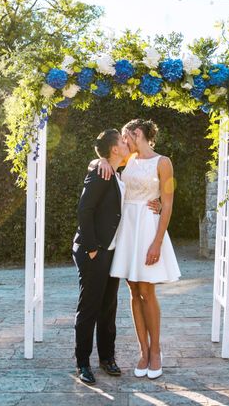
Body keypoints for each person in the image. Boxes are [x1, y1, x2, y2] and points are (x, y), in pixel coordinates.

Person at [72, 128, 160, 384]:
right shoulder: (100, 174)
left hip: (111, 253)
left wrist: (159, 203)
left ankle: (107, 358)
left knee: (108, 308)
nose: (127, 143)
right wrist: (91, 249)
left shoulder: (117, 174)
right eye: (123, 141)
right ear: (114, 150)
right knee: (89, 308)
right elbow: (84, 211)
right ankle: (82, 363)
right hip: (94, 252)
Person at [99, 119, 181, 380]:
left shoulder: (163, 162)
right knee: (133, 289)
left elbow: (166, 204)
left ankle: (156, 351)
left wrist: (157, 241)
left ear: (136, 133)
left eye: (126, 136)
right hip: (127, 226)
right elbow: (108, 161)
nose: (123, 142)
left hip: (148, 226)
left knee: (147, 290)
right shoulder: (129, 158)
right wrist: (99, 161)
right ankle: (142, 351)